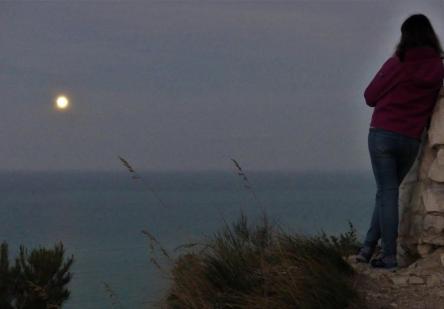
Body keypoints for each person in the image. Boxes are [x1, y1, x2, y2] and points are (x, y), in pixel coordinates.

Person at [356, 14, 444, 269]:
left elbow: (369, 96)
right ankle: (366, 249)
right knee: (387, 191)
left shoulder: (398, 63)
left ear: (405, 37)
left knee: (386, 192)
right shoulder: (438, 68)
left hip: (383, 134)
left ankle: (389, 256)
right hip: (411, 140)